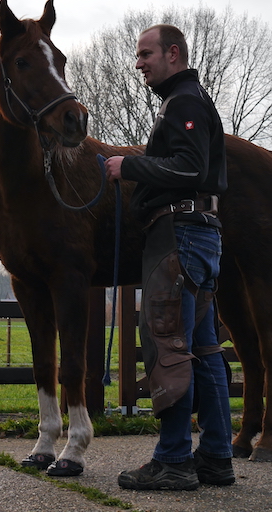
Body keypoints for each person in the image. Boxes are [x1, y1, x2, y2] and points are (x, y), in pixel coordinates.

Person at [105, 24, 234, 491]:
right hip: (200, 237)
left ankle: (174, 460)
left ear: (173, 54)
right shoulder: (190, 100)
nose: (138, 63)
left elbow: (190, 168)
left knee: (169, 346)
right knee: (203, 349)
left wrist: (130, 165)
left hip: (178, 238)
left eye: (146, 54)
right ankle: (217, 458)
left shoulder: (183, 103)